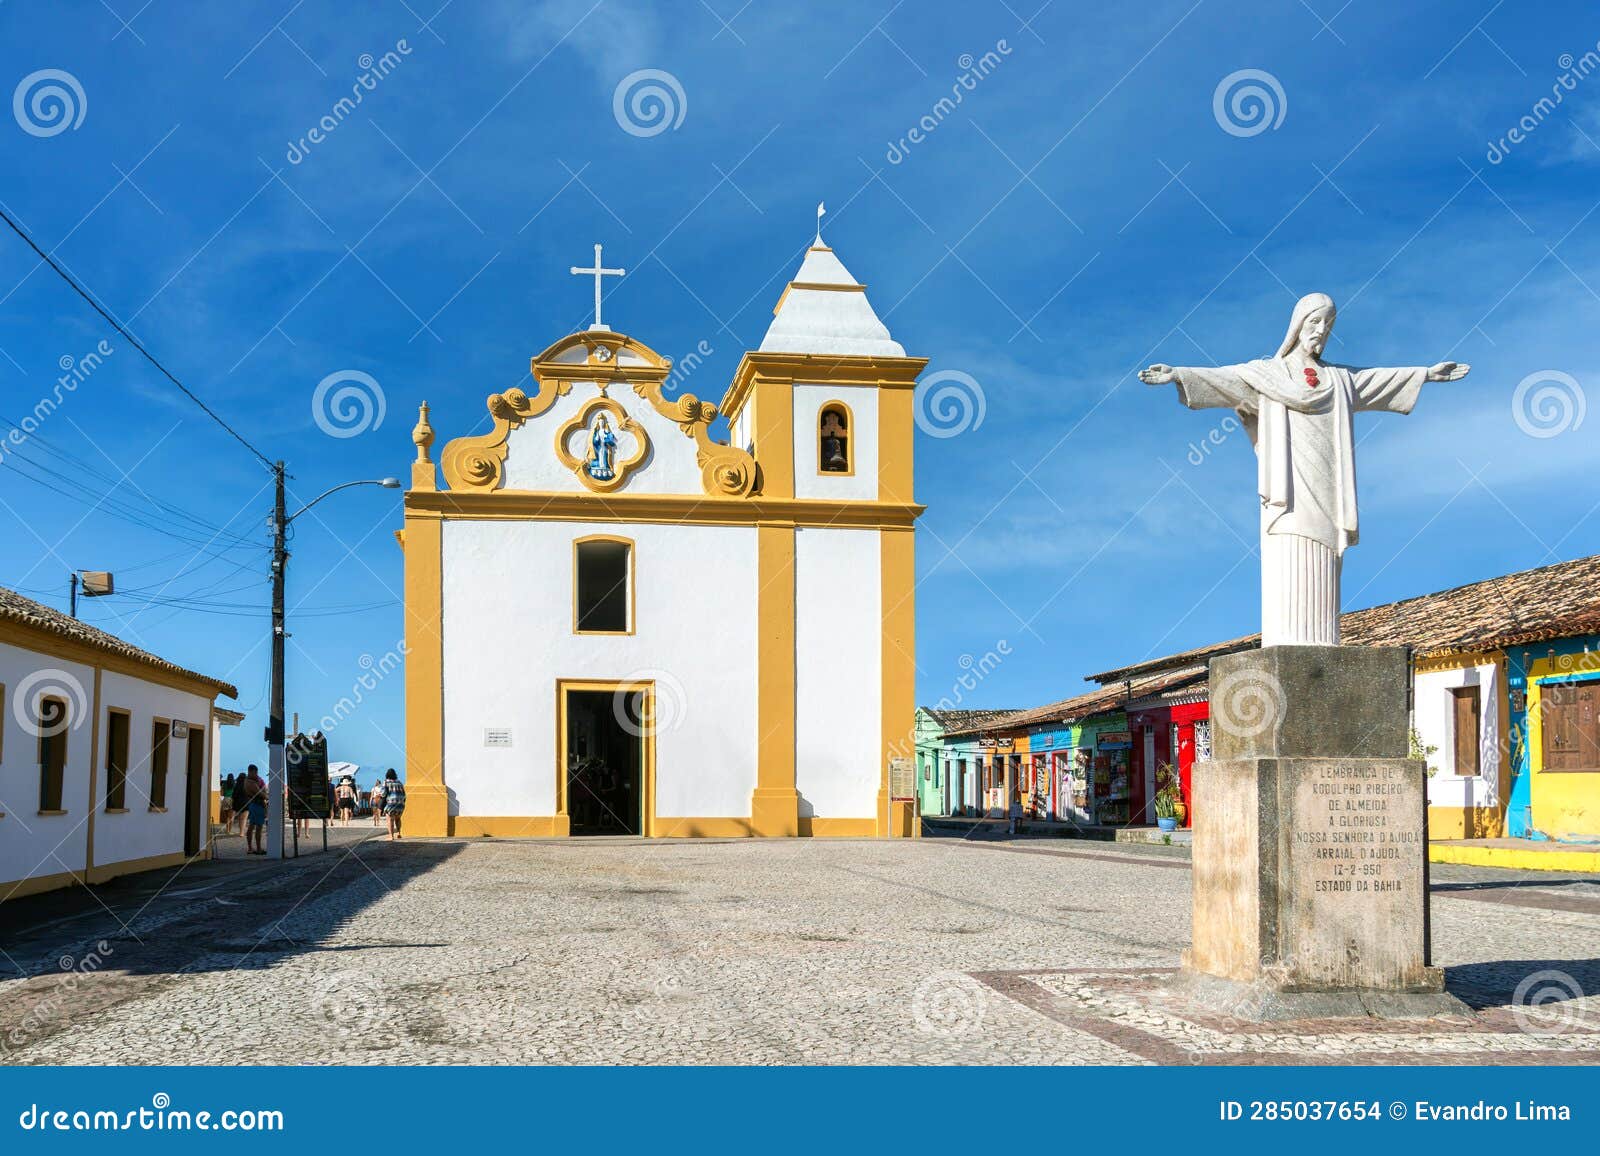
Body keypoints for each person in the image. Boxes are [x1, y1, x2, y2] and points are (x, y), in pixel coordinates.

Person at [241, 765, 267, 855]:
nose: (256, 774)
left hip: (253, 804)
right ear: (250, 771)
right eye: (255, 772)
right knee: (258, 828)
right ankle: (258, 849)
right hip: (257, 805)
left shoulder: (248, 781)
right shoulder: (250, 782)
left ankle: (250, 848)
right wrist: (267, 796)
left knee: (251, 826)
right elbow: (261, 794)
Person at [381, 769, 405, 841]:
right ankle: (399, 833)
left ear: (387, 775)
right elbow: (404, 793)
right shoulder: (399, 782)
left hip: (391, 803)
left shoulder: (386, 782)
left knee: (390, 820)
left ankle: (391, 836)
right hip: (400, 804)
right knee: (398, 819)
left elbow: (383, 794)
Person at [229, 771, 251, 837]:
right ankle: (241, 833)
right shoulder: (247, 786)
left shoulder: (236, 786)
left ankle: (240, 832)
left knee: (239, 819)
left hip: (237, 804)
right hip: (246, 803)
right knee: (244, 819)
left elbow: (233, 796)